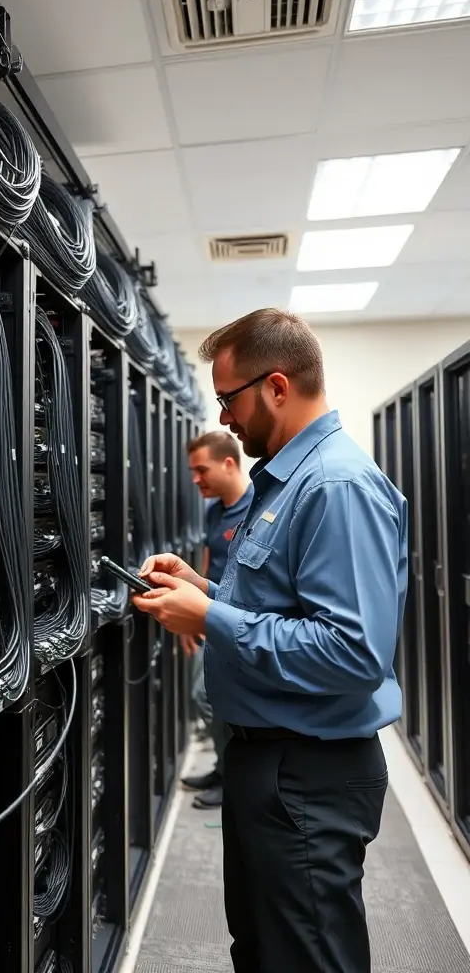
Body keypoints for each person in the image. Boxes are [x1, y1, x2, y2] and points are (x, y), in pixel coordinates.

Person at [133, 307, 407, 973]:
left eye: (230, 398)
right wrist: (207, 592)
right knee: (261, 950)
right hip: (270, 763)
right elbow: (283, 606)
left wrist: (210, 620)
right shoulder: (284, 481)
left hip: (308, 773)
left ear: (277, 387)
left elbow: (353, 652)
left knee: (305, 958)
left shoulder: (336, 487)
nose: (224, 417)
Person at [183, 431, 253, 809]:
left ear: (229, 463)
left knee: (215, 700)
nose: (195, 479)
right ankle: (222, 768)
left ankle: (232, 779)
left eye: (201, 469)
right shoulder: (214, 511)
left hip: (240, 623)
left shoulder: (255, 506)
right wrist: (195, 610)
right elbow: (210, 564)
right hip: (213, 614)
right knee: (204, 696)